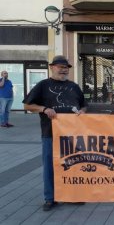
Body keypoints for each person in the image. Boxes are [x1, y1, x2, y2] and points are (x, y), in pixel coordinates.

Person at [22, 55, 87, 211]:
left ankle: (70, 196)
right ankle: (50, 198)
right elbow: (26, 105)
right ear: (52, 67)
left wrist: (83, 112)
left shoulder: (74, 86)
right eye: (60, 67)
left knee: (71, 166)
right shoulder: (43, 85)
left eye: (65, 68)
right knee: (50, 166)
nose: (63, 70)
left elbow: (84, 105)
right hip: (50, 133)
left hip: (72, 135)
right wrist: (44, 109)